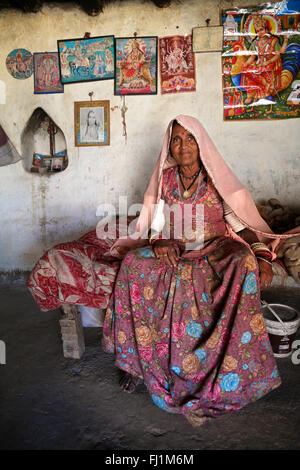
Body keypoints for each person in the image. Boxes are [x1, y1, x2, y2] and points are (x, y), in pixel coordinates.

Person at [101, 115, 284, 426]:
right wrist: (159, 242)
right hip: (176, 249)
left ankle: (229, 371)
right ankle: (135, 362)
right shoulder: (166, 179)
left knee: (242, 259)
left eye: (190, 138)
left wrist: (263, 256)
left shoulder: (216, 178)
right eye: (176, 139)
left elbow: (241, 225)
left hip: (213, 247)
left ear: (201, 143)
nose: (183, 145)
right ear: (170, 147)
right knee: (132, 263)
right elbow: (156, 224)